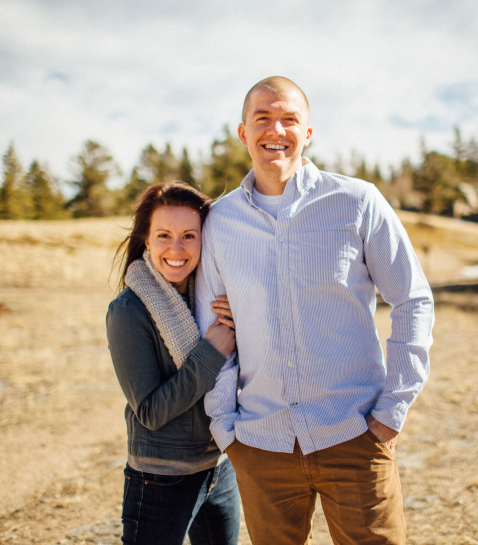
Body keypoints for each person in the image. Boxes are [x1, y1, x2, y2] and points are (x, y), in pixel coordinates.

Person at [195, 77, 434, 545]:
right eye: (261, 118)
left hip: (355, 433)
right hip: (261, 443)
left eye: (289, 118)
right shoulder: (220, 222)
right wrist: (227, 430)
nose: (275, 129)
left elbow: (412, 298)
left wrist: (392, 410)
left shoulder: (357, 202)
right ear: (243, 133)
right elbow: (213, 327)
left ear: (308, 132)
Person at [107, 182, 241, 545]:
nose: (177, 249)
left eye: (189, 236)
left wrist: (244, 320)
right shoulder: (128, 312)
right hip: (161, 478)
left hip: (219, 467)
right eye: (164, 235)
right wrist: (211, 352)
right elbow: (150, 410)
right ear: (146, 240)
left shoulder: (215, 297)